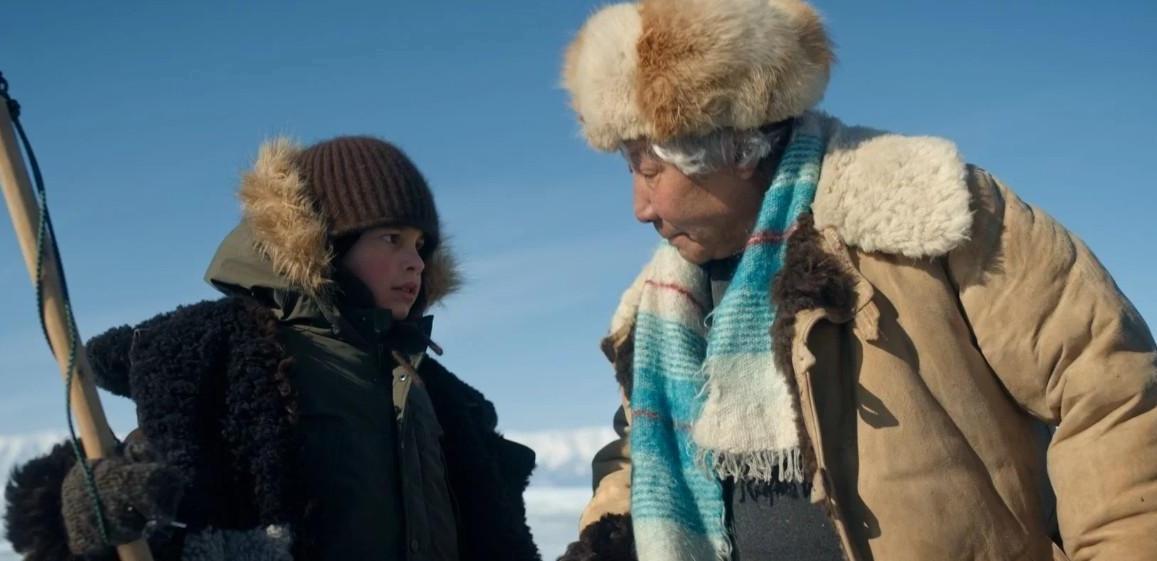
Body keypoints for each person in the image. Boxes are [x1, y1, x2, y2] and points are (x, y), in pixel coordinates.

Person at [555, 1, 1157, 560]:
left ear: (731, 148)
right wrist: (607, 535)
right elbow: (639, 452)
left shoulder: (926, 209)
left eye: (649, 170)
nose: (639, 208)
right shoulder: (658, 310)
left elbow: (1108, 385)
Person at [5, 136, 542, 561]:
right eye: (391, 238)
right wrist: (82, 513)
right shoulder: (238, 359)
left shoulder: (432, 388)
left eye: (422, 246)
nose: (416, 262)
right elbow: (160, 475)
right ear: (324, 244)